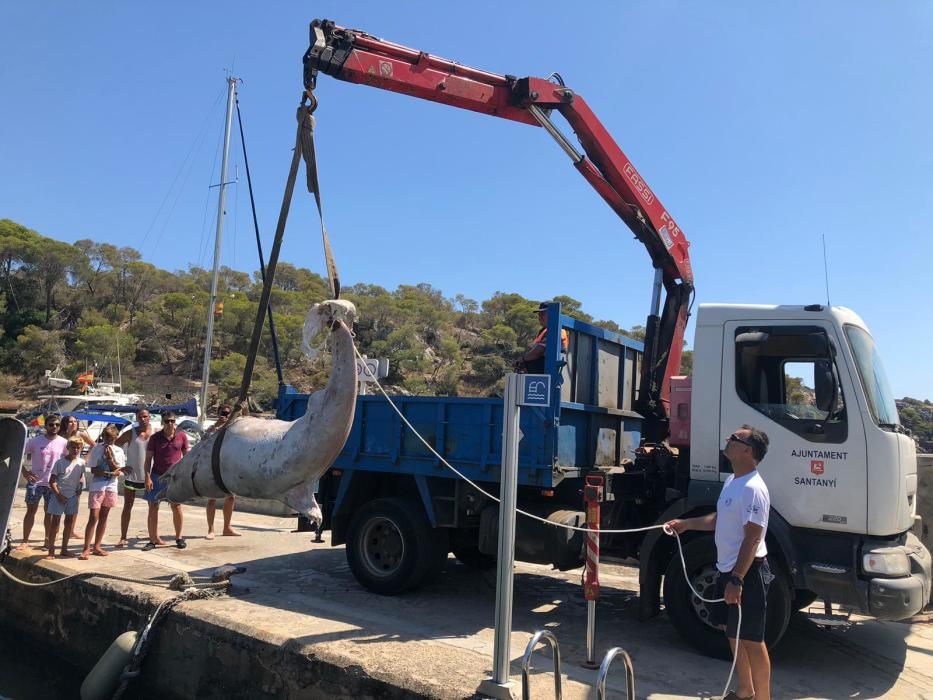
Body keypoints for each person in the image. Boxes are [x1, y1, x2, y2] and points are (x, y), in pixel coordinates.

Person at [666, 425, 772, 700]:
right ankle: (745, 690)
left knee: (752, 638)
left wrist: (737, 579)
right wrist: (686, 524)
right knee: (731, 632)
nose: (728, 440)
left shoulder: (754, 489)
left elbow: (752, 538)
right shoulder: (732, 482)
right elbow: (719, 519)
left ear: (747, 450)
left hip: (747, 573)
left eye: (734, 439)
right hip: (726, 569)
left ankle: (763, 697)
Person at [18, 413, 67, 551]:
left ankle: (47, 539)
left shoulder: (64, 442)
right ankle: (25, 540)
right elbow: (18, 455)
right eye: (51, 424)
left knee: (49, 513)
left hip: (53, 483)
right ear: (45, 426)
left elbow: (68, 461)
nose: (54, 427)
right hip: (35, 482)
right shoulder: (35, 441)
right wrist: (25, 472)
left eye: (57, 424)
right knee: (30, 511)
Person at [143, 411, 189, 550]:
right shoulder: (155, 438)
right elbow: (148, 459)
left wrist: (185, 476)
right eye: (167, 421)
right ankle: (152, 539)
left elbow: (186, 457)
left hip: (174, 477)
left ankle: (179, 537)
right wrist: (147, 477)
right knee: (153, 507)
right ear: (162, 422)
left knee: (176, 506)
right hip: (157, 475)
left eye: (172, 421)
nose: (170, 423)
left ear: (175, 422)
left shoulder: (182, 436)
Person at [79, 425, 125, 560]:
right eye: (106, 437)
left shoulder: (119, 451)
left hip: (111, 486)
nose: (108, 440)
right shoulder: (97, 448)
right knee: (93, 516)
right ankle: (86, 547)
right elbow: (94, 470)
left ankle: (97, 546)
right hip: (98, 485)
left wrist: (110, 458)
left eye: (111, 438)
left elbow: (119, 471)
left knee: (104, 516)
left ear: (116, 438)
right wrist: (109, 471)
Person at [115, 408, 153, 546]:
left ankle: (153, 536)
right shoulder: (129, 434)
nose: (143, 419)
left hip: (150, 476)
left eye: (145, 416)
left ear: (150, 417)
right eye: (140, 417)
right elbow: (113, 447)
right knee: (127, 506)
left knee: (153, 507)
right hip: (131, 476)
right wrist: (119, 467)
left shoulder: (155, 433)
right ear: (137, 418)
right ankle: (123, 536)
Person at [47, 437, 86, 559]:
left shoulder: (81, 463)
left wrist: (80, 487)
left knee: (69, 523)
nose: (75, 450)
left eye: (78, 448)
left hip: (72, 496)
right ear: (68, 448)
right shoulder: (60, 462)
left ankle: (64, 548)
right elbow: (52, 481)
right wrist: (58, 495)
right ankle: (51, 550)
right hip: (58, 496)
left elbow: (80, 476)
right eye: (73, 447)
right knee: (55, 523)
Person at [205, 404, 240, 539]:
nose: (225, 416)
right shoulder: (213, 428)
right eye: (223, 413)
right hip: (213, 467)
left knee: (231, 497)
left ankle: (227, 527)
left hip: (228, 468)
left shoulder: (232, 429)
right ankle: (210, 529)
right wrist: (217, 425)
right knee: (212, 498)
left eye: (227, 414)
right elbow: (204, 439)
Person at [519, 301, 569, 374]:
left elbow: (538, 351)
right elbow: (533, 349)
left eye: (542, 314)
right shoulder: (544, 331)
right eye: (539, 314)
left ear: (551, 314)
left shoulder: (557, 330)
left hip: (551, 370)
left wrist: (523, 359)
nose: (540, 317)